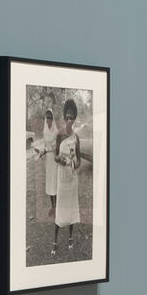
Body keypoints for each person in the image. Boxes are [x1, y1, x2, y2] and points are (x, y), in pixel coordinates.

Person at [52, 100, 86, 251]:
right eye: (67, 116)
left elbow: (78, 161)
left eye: (72, 116)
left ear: (74, 119)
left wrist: (73, 164)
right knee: (61, 207)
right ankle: (55, 240)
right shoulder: (59, 135)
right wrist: (59, 159)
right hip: (61, 177)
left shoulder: (76, 137)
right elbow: (54, 155)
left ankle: (71, 237)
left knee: (71, 207)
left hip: (72, 178)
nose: (69, 119)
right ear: (64, 117)